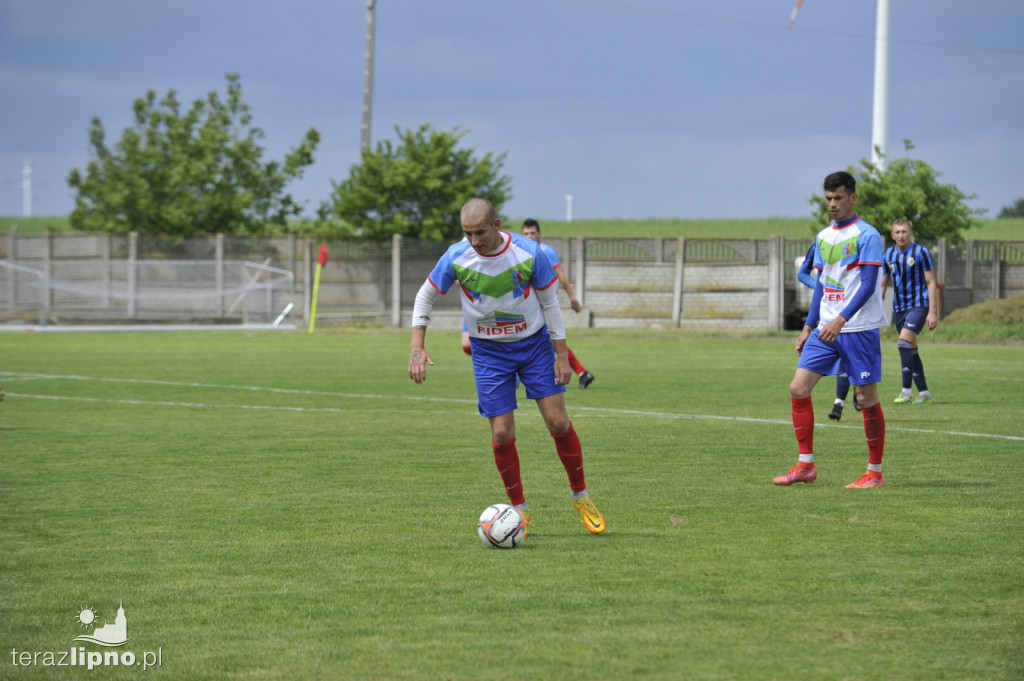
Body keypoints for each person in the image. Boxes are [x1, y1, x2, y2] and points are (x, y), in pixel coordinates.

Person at [409, 198, 606, 534]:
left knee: (558, 422)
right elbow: (425, 295)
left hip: (534, 347)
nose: (474, 240)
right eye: (468, 233)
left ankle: (581, 496)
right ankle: (519, 511)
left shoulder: (530, 253)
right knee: (502, 432)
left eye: (480, 232)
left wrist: (561, 356)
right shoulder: (456, 256)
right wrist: (417, 347)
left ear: (497, 225)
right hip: (488, 353)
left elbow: (551, 305)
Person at [774, 171, 889, 489]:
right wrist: (808, 326)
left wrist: (842, 320)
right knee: (798, 388)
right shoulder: (824, 237)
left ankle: (874, 474)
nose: (833, 204)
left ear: (853, 197)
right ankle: (805, 466)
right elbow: (822, 288)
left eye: (838, 198)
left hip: (858, 329)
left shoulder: (868, 235)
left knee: (865, 398)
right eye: (828, 199)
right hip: (825, 328)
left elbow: (869, 285)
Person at [521, 218, 596, 389]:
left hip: (545, 305)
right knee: (542, 340)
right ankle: (582, 373)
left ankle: (580, 372)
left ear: (539, 234)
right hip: (530, 305)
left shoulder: (546, 251)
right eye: (526, 233)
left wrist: (572, 298)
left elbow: (561, 275)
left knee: (551, 340)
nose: (530, 236)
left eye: (532, 233)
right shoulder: (522, 251)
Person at [797, 242, 860, 421]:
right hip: (828, 309)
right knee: (798, 385)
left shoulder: (858, 241)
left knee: (848, 358)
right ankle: (839, 402)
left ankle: (855, 390)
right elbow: (802, 274)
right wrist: (823, 288)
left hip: (853, 312)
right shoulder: (819, 244)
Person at [881, 218, 939, 404]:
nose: (901, 235)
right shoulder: (888, 254)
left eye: (904, 231)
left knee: (903, 343)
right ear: (892, 235)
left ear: (911, 233)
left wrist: (932, 312)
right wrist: (878, 296)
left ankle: (906, 392)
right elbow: (884, 280)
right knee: (911, 350)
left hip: (918, 304)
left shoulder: (921, 252)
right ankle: (924, 392)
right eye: (897, 232)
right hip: (899, 308)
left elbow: (931, 283)